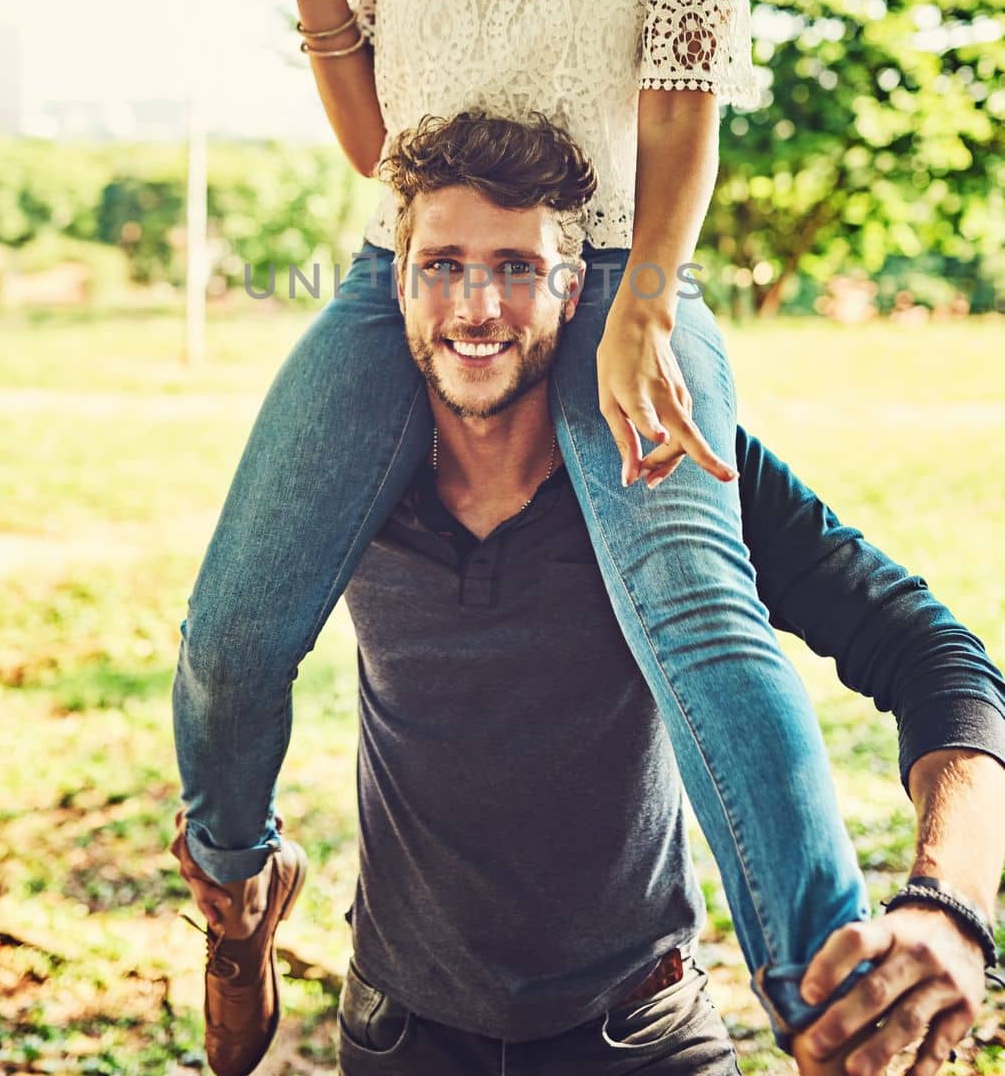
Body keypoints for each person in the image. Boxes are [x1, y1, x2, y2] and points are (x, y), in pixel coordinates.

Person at [170, 0, 980, 1073]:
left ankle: (841, 1001)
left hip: (613, 263)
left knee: (698, 611)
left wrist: (648, 314)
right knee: (229, 632)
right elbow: (373, 144)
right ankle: (232, 883)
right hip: (410, 278)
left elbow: (681, 114)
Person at [172, 111, 1005, 1076]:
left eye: (518, 268)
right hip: (399, 1032)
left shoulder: (674, 475)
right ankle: (240, 914)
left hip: (642, 1036)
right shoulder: (343, 488)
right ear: (393, 288)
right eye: (441, 263)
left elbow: (938, 657)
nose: (476, 306)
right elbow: (228, 654)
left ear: (576, 293)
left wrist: (950, 902)